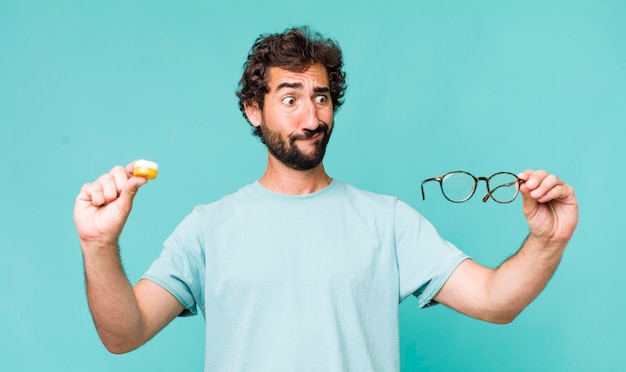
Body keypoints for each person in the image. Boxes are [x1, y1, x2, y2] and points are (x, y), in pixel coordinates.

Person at [74, 26, 579, 371]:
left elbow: (495, 302)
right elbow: (125, 333)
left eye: (321, 97)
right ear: (255, 110)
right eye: (289, 99)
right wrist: (98, 245)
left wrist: (547, 242)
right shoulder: (209, 227)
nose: (311, 117)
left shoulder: (388, 221)